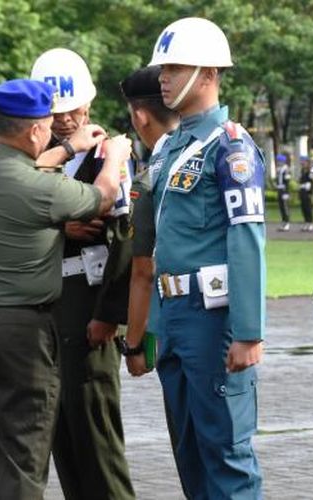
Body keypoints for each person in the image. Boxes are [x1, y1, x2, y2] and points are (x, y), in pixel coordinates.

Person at [0, 79, 127, 499]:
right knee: (23, 451)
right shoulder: (42, 190)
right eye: (46, 124)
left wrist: (65, 148)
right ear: (34, 131)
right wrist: (113, 156)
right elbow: (103, 196)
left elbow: (20, 175)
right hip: (19, 331)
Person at [148, 17, 266, 498]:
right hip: (172, 317)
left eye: (174, 67)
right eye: (163, 68)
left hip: (212, 319)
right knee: (189, 454)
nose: (163, 77)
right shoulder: (170, 145)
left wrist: (248, 332)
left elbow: (247, 238)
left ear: (210, 74)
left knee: (227, 455)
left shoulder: (231, 146)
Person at [30, 47, 136, 500]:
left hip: (87, 297)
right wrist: (60, 223)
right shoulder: (38, 156)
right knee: (60, 431)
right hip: (45, 298)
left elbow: (127, 239)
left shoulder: (110, 154)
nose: (64, 119)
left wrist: (110, 313)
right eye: (54, 111)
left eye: (71, 109)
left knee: (93, 427)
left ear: (87, 104)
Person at [118, 65, 180, 377]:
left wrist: (132, 344)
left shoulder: (150, 177)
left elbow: (143, 271)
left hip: (172, 318)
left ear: (140, 116)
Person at [298, 155, 313, 231]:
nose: (302, 163)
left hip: (308, 192)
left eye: (304, 161)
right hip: (302, 192)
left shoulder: (310, 171)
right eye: (301, 161)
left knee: (308, 208)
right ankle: (306, 222)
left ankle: (311, 223)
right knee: (303, 208)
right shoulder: (302, 171)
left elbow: (312, 182)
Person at [275, 153, 292, 231]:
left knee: (285, 207)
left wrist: (286, 192)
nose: (278, 162)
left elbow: (287, 182)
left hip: (284, 190)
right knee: (281, 207)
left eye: (279, 160)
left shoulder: (286, 169)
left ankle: (287, 223)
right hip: (280, 189)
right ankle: (284, 222)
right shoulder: (279, 169)